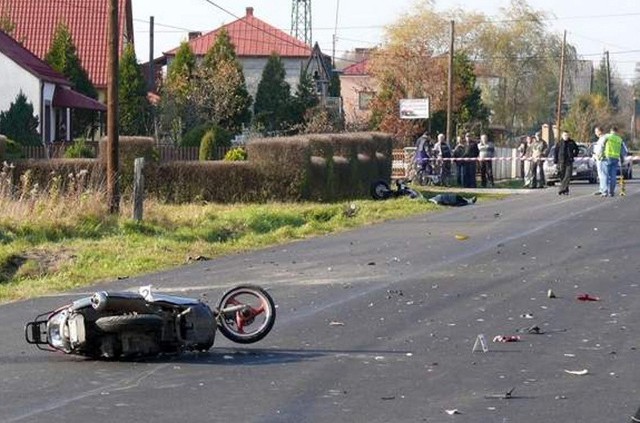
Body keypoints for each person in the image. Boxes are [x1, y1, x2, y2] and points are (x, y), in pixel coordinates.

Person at [553, 131, 579, 195]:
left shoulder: (571, 142)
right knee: (562, 176)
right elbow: (556, 152)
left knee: (568, 175)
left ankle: (561, 189)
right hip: (561, 161)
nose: (566, 136)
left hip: (569, 161)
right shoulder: (559, 143)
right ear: (562, 136)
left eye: (567, 135)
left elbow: (577, 149)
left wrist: (574, 154)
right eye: (565, 135)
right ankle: (565, 190)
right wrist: (555, 161)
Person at [602, 126, 624, 197]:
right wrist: (622, 159)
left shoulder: (607, 136)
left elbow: (602, 145)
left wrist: (601, 155)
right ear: (616, 132)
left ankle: (605, 192)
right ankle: (611, 192)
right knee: (613, 176)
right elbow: (622, 151)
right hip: (616, 158)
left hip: (607, 157)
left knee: (605, 175)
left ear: (610, 131)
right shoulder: (619, 139)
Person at [592, 126, 608, 195]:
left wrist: (596, 155)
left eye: (596, 131)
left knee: (603, 175)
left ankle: (604, 190)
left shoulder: (603, 139)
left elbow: (600, 149)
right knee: (600, 175)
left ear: (600, 131)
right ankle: (601, 189)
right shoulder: (601, 139)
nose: (595, 133)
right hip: (599, 159)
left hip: (602, 159)